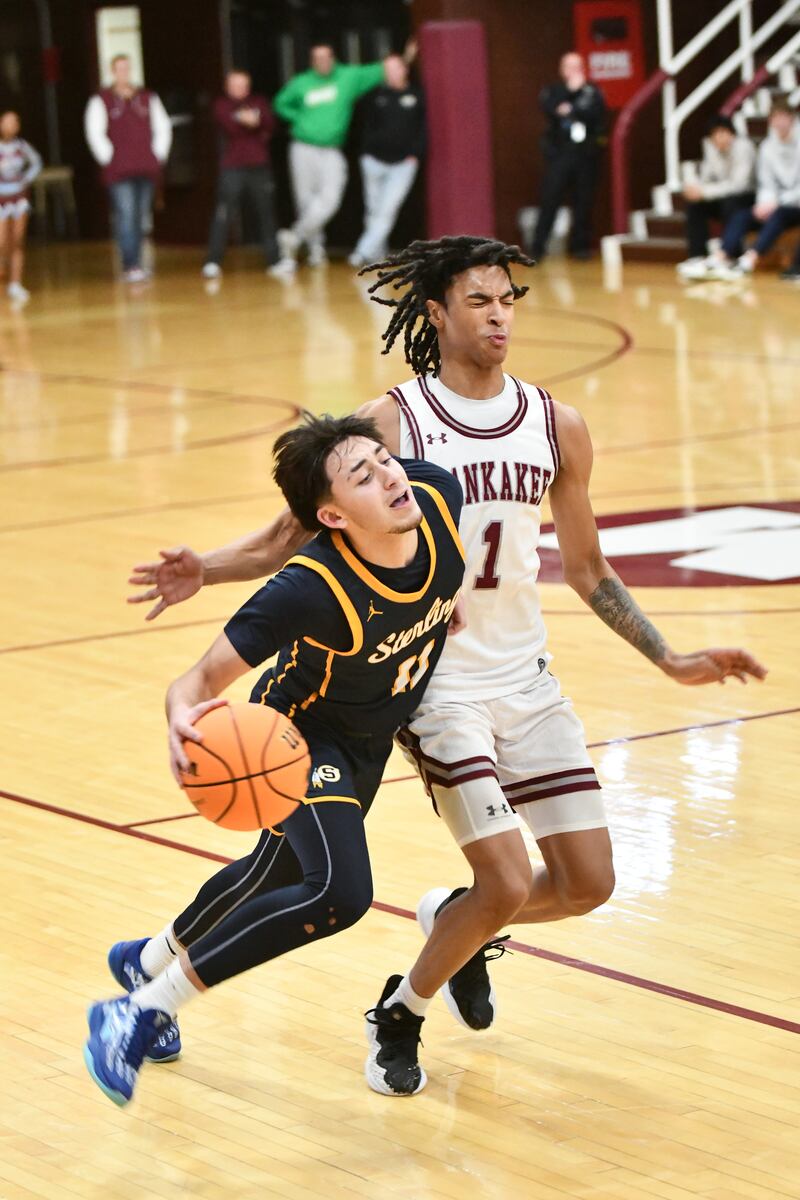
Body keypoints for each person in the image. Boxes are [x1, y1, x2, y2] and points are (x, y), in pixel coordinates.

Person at [126, 235, 767, 1098]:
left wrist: (672, 658)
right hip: (436, 688)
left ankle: (453, 923)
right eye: (479, 301)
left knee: (588, 884)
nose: (499, 314)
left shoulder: (556, 425)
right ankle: (402, 1011)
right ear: (436, 313)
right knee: (501, 877)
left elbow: (588, 569)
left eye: (509, 299)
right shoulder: (397, 423)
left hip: (528, 679)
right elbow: (296, 534)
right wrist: (208, 565)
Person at [84, 412, 465, 1106]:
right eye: (363, 475)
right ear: (331, 515)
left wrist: (443, 608)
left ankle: (145, 963)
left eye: (385, 460)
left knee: (273, 871)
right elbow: (194, 683)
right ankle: (142, 1010)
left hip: (371, 737)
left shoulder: (436, 498)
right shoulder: (310, 588)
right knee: (337, 894)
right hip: (299, 737)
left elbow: (436, 587)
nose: (389, 476)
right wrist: (180, 718)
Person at [272, 42, 414, 271]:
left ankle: (294, 237)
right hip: (303, 147)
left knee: (330, 199)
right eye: (318, 58)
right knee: (305, 201)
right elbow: (280, 104)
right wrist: (299, 119)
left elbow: (382, 69)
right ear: (312, 61)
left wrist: (405, 57)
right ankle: (315, 250)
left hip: (331, 150)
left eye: (326, 57)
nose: (323, 61)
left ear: (333, 58)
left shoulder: (348, 77)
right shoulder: (301, 82)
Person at [84, 53, 172, 283]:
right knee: (126, 214)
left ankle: (139, 263)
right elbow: (94, 132)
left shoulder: (147, 97)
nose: (124, 72)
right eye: (119, 68)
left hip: (145, 167)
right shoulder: (101, 100)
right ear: (112, 71)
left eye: (127, 68)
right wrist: (109, 157)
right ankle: (130, 264)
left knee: (141, 216)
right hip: (119, 170)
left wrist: (157, 155)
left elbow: (163, 127)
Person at [202, 70, 289, 281]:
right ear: (227, 86)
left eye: (243, 84)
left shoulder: (259, 101)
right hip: (232, 168)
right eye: (235, 84)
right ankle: (213, 261)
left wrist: (254, 121)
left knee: (266, 213)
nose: (240, 88)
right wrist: (249, 121)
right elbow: (232, 126)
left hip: (259, 167)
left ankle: (274, 261)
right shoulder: (221, 105)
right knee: (224, 214)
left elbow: (269, 123)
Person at [704, 98, 800, 280]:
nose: (779, 122)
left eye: (783, 117)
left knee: (779, 214)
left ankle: (750, 258)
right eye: (775, 117)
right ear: (770, 121)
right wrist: (765, 203)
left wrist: (777, 203)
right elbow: (765, 182)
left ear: (792, 119)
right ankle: (723, 256)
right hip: (774, 204)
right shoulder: (767, 147)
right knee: (742, 216)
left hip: (794, 205)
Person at [348, 55, 425, 269]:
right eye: (386, 70)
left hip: (403, 164)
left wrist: (415, 154)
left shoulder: (417, 96)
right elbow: (365, 125)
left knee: (387, 208)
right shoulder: (375, 96)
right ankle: (376, 254)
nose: (391, 74)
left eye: (395, 69)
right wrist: (366, 152)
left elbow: (422, 129)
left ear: (404, 70)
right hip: (373, 161)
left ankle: (362, 252)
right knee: (373, 209)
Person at [531, 53, 606, 262]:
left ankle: (579, 246)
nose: (573, 71)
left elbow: (594, 113)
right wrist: (572, 95)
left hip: (585, 155)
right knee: (550, 198)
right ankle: (538, 246)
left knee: (583, 200)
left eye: (578, 66)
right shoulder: (554, 90)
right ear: (561, 69)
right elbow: (551, 109)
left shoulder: (593, 91)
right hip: (559, 154)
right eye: (569, 66)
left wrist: (572, 106)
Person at [676, 114, 756, 280]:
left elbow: (739, 185)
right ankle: (697, 256)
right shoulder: (710, 148)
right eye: (715, 135)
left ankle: (730, 255)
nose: (719, 138)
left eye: (723, 133)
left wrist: (705, 192)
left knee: (731, 204)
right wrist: (696, 189)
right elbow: (706, 177)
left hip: (747, 196)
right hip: (722, 194)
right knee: (695, 205)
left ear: (732, 133)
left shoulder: (744, 148)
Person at [0, 111, 41, 305]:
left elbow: (36, 163)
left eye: (14, 122)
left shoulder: (22, 147)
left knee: (17, 239)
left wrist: (26, 179)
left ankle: (15, 283)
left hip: (18, 196)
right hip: (1, 198)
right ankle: (4, 265)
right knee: (2, 240)